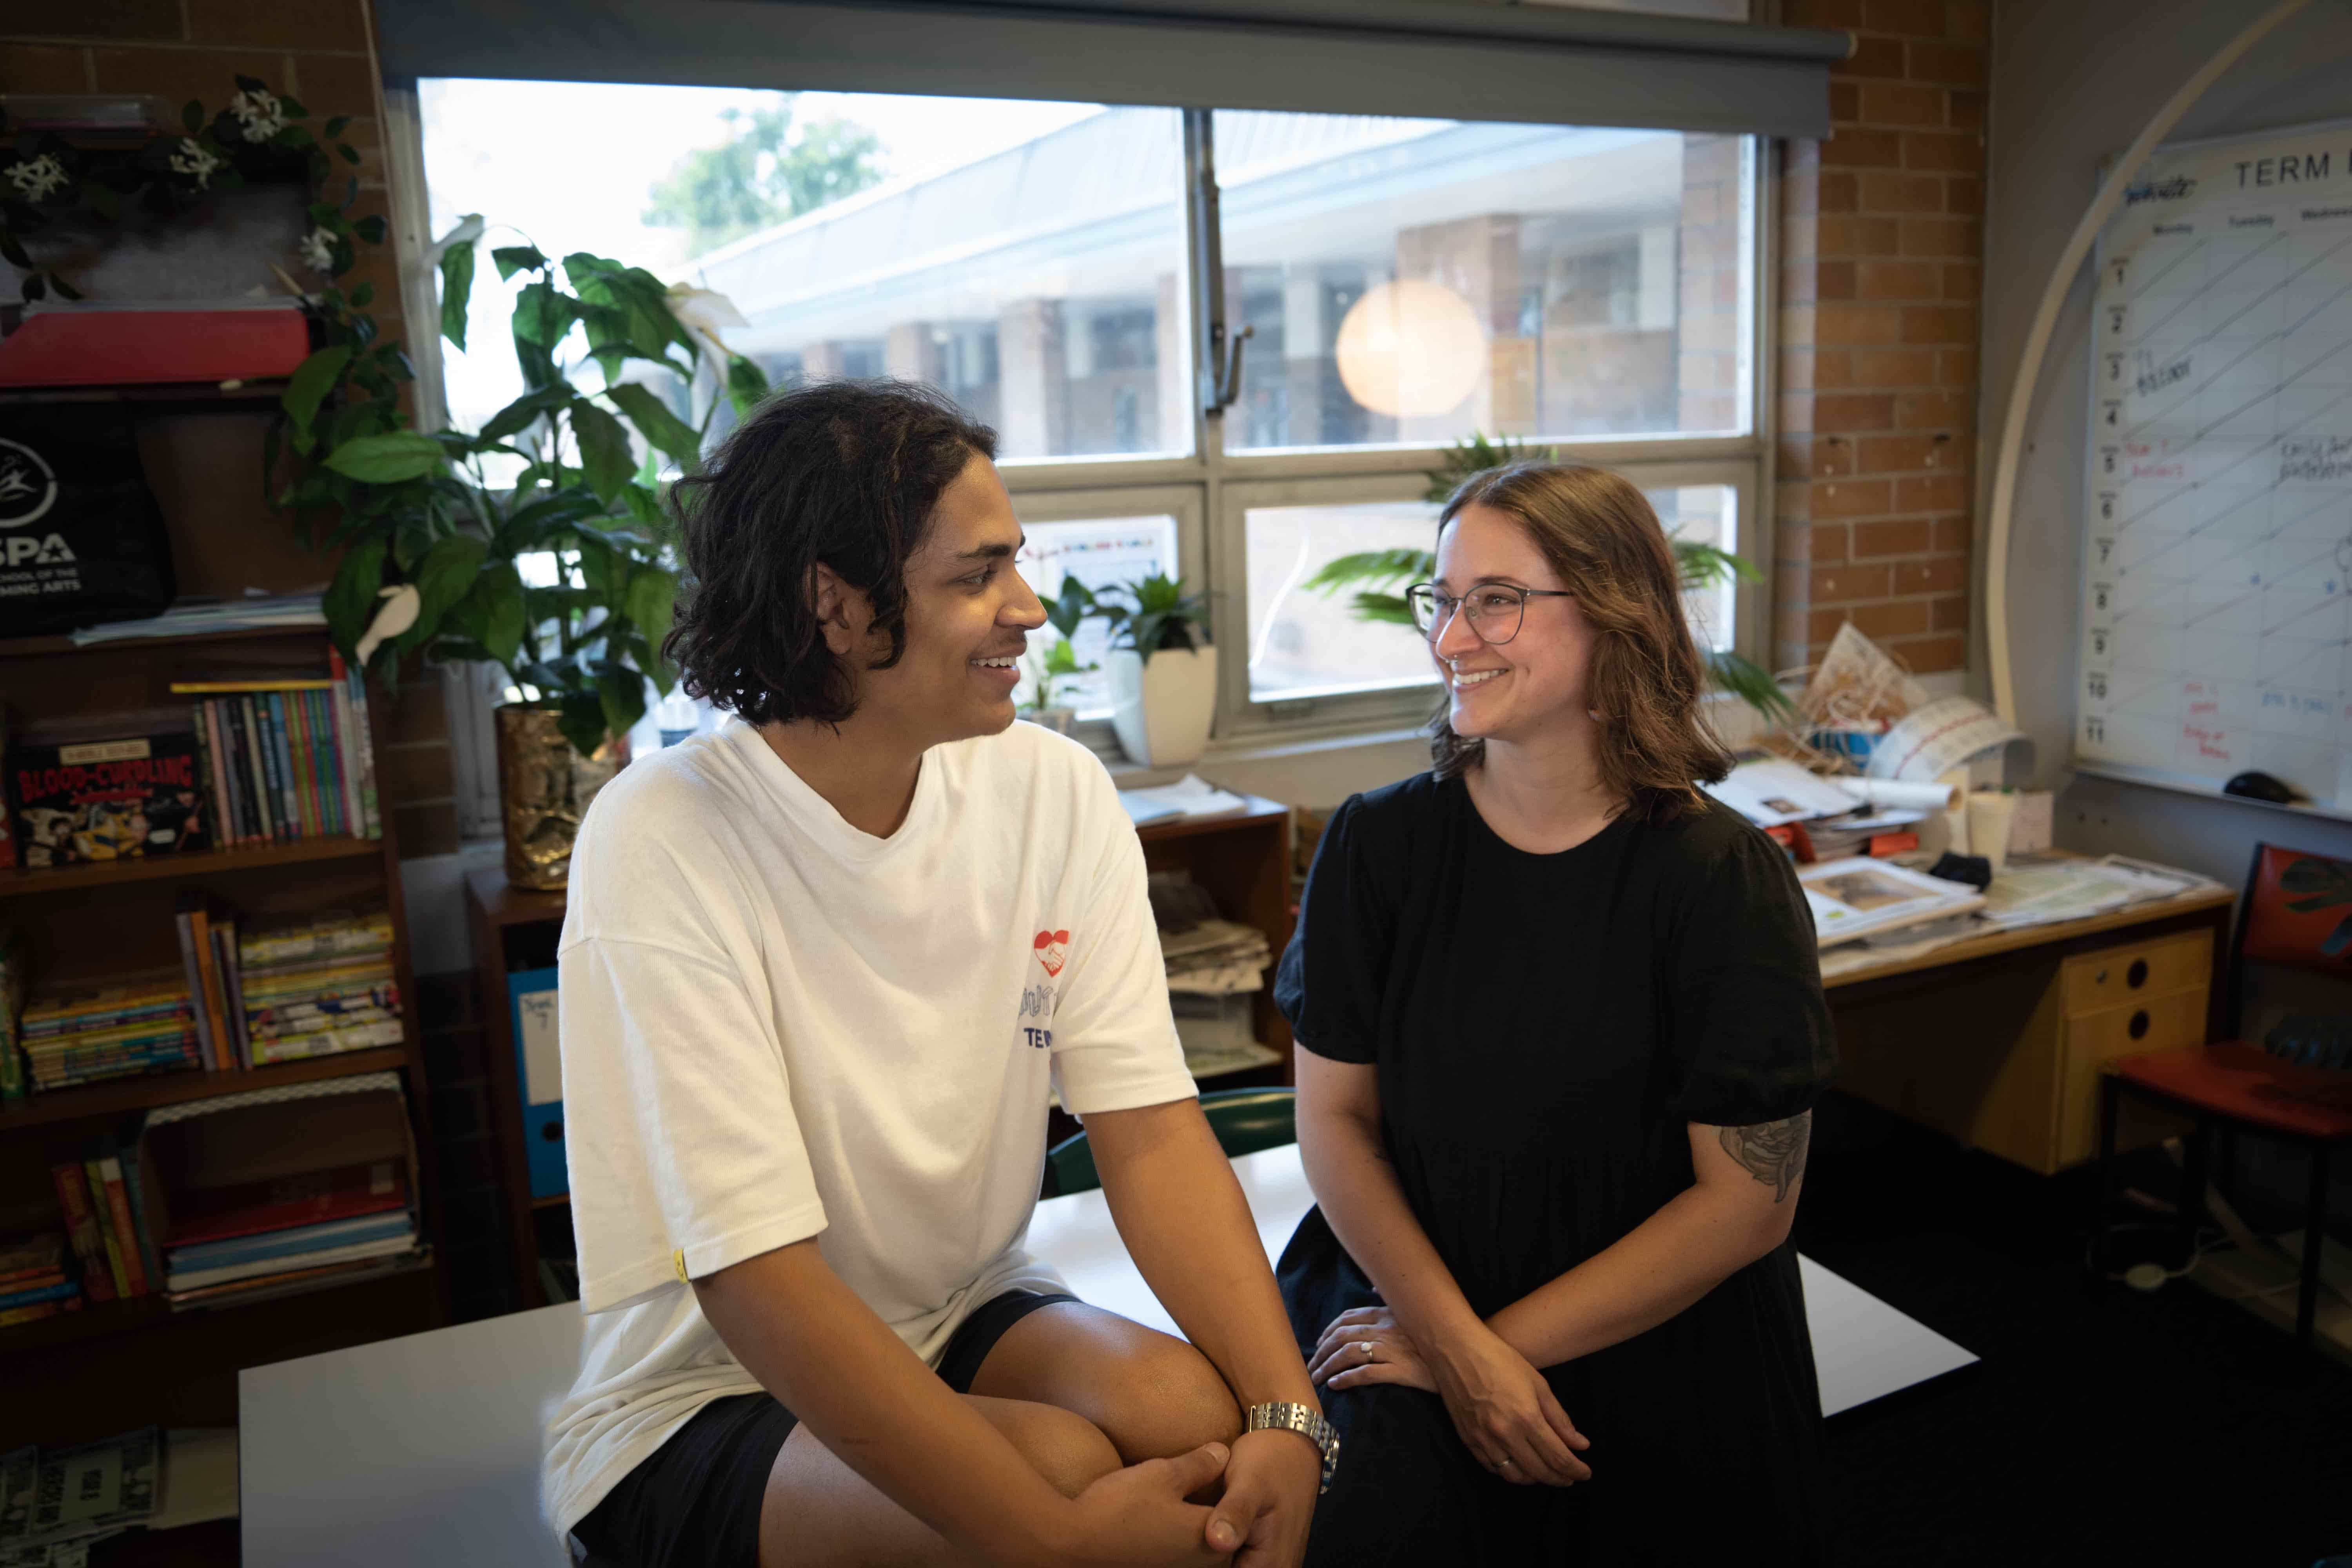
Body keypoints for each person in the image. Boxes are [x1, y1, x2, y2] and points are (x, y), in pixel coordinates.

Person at [542, 381, 1333, 1568]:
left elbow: (1155, 1135)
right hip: (704, 1388)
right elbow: (755, 1282)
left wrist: (1293, 1417)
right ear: (839, 606)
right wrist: (1051, 1540)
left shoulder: (1051, 789)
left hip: (958, 1309)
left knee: (1202, 1429)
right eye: (977, 577)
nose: (1030, 606)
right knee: (1054, 1479)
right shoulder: (665, 835)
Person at [1273, 463, 1837, 1566]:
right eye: (1442, 601)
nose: (1449, 640)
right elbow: (1333, 1122)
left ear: (1617, 617)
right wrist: (1447, 1342)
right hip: (1413, 1298)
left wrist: (1485, 1358)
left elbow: (1747, 1206)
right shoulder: (1378, 849)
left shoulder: (1721, 878)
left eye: (1497, 600)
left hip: (1652, 1333)